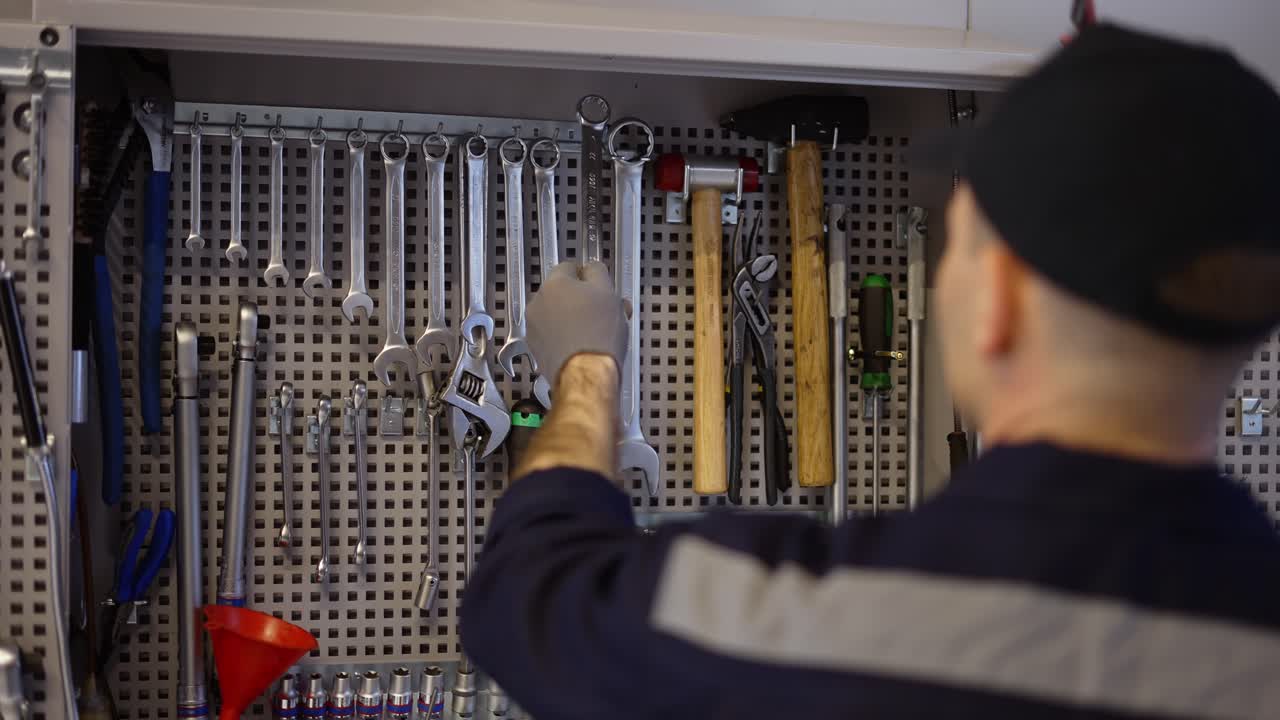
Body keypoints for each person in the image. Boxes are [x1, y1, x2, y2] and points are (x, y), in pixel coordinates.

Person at [461, 23, 1280, 720]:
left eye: (964, 244)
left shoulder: (837, 621)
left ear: (998, 303)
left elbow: (529, 593)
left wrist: (587, 367)